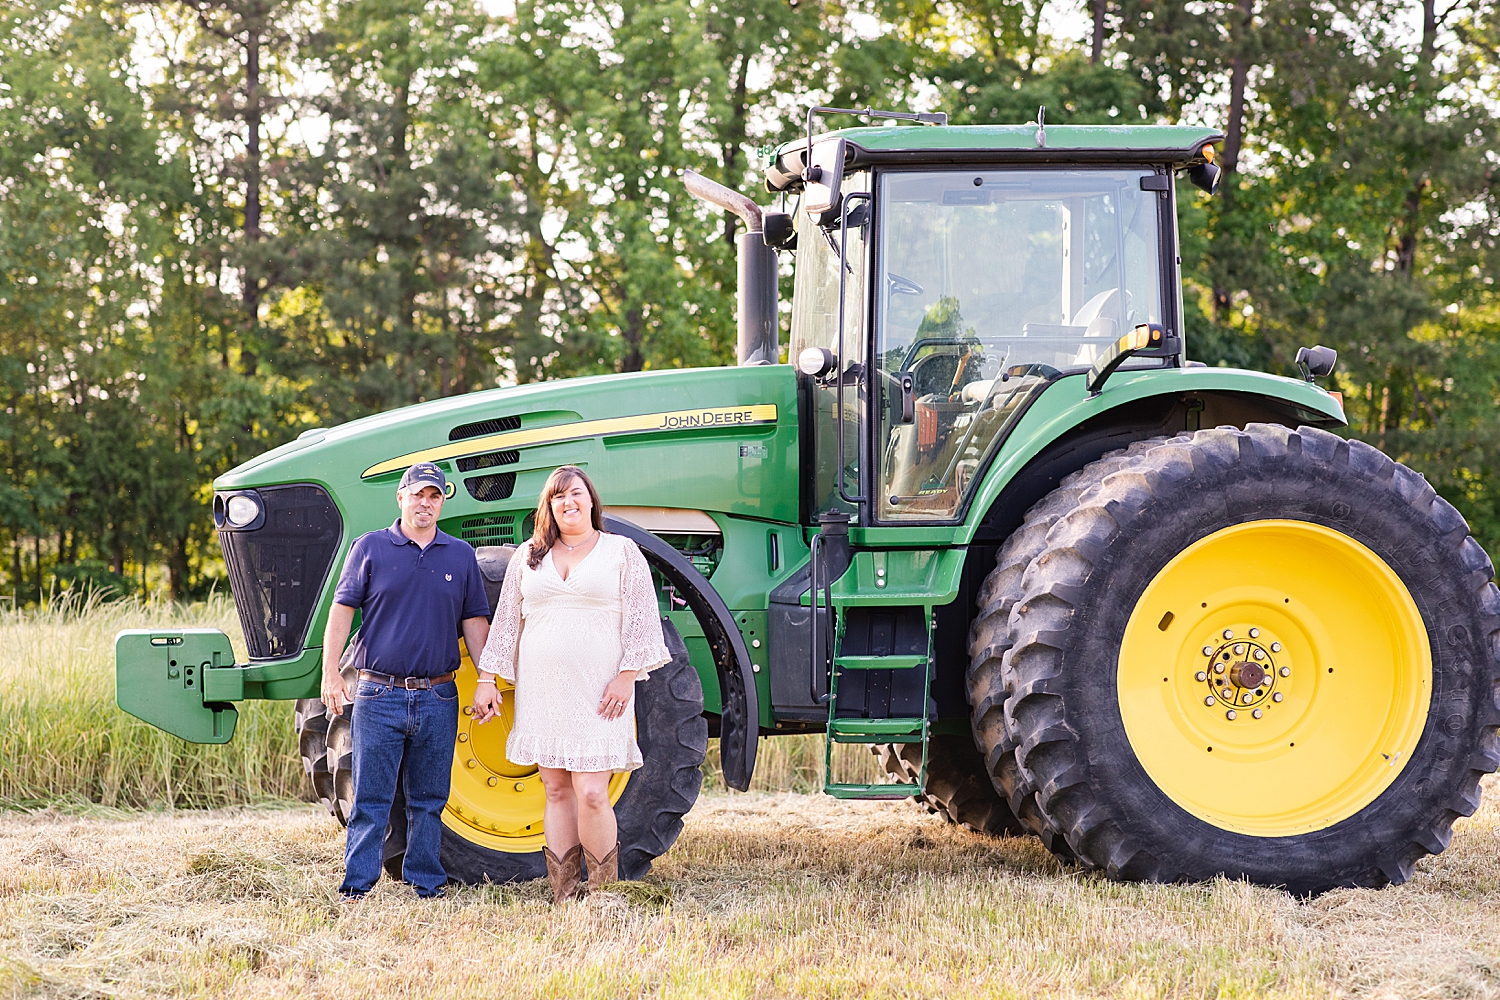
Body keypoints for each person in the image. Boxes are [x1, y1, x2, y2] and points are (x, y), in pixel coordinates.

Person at [474, 465, 669, 904]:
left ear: (592, 500)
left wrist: (627, 676)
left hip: (601, 693)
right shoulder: (529, 556)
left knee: (593, 792)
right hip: (542, 691)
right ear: (548, 506)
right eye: (558, 496)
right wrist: (488, 678)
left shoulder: (621, 552)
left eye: (576, 493)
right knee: (558, 789)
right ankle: (563, 894)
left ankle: (603, 897)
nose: (568, 502)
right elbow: (506, 625)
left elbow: (642, 620)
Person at [321, 461, 491, 900]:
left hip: (438, 694)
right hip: (378, 693)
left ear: (441, 502)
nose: (426, 503)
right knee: (371, 800)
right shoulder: (370, 548)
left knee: (430, 800)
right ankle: (357, 887)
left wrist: (488, 678)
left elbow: (475, 623)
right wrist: (330, 674)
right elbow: (341, 614)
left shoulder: (460, 555)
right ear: (401, 497)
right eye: (418, 495)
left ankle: (426, 883)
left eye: (434, 496)